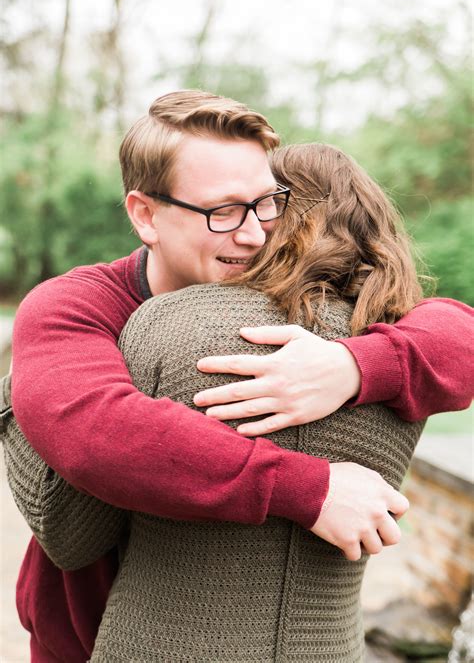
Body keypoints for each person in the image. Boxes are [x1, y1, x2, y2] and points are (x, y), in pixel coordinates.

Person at [1, 91, 473, 662]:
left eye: (266, 204)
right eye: (221, 211)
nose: (254, 234)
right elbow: (98, 432)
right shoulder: (76, 305)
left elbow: (459, 337)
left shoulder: (296, 310)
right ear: (145, 214)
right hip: (78, 638)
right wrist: (310, 488)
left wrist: (354, 366)